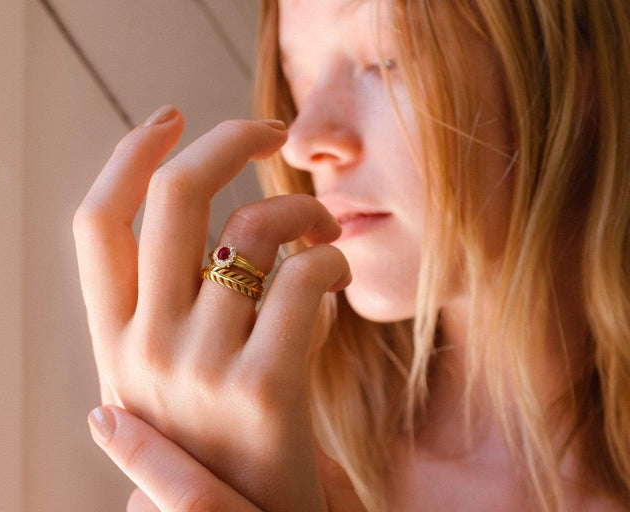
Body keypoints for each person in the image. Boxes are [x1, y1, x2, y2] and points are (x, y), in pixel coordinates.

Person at [73, 0, 630, 510]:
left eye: (385, 60)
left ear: (576, 78)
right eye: (299, 79)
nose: (303, 137)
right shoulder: (281, 440)